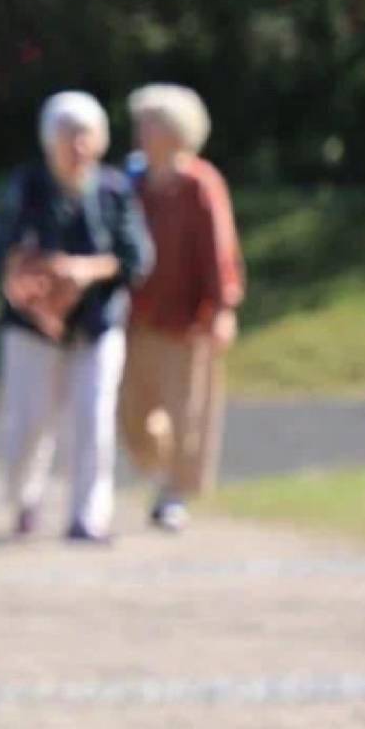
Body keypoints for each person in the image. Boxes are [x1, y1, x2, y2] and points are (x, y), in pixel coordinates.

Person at [0, 91, 154, 543]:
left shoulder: (114, 189)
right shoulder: (27, 186)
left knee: (92, 421)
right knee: (29, 424)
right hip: (32, 329)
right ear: (49, 141)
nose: (77, 146)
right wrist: (31, 284)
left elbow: (136, 257)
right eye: (67, 136)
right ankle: (25, 498)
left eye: (85, 135)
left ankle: (87, 515)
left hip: (97, 324)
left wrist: (85, 271)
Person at [118, 84, 245, 531]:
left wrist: (224, 308)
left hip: (189, 321)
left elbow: (220, 249)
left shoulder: (200, 184)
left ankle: (175, 493)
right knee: (131, 417)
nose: (140, 131)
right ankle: (159, 469)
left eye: (149, 122)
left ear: (174, 131)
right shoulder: (131, 182)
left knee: (188, 413)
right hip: (137, 318)